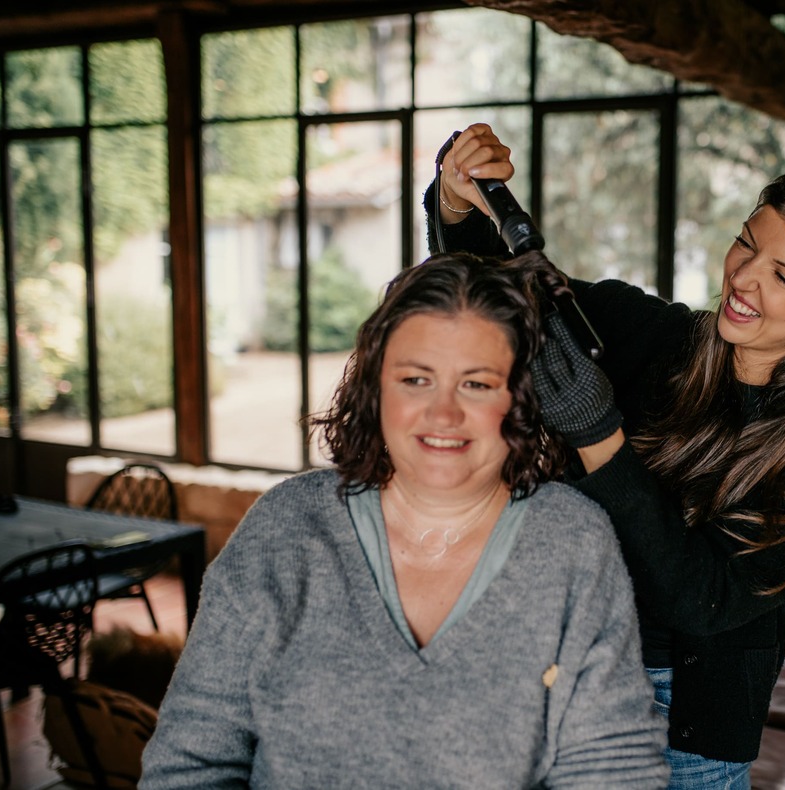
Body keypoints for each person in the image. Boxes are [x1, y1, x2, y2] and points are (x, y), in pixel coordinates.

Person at [426, 124, 785, 788]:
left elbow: (705, 601)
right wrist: (458, 204)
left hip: (689, 728)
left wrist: (600, 438)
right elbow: (504, 296)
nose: (743, 278)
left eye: (784, 274)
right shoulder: (651, 337)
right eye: (746, 241)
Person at [140, 252, 669, 789]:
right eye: (416, 380)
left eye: (477, 384)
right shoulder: (287, 528)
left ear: (520, 400)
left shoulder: (572, 541)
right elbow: (189, 763)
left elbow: (613, 769)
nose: (443, 415)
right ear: (376, 390)